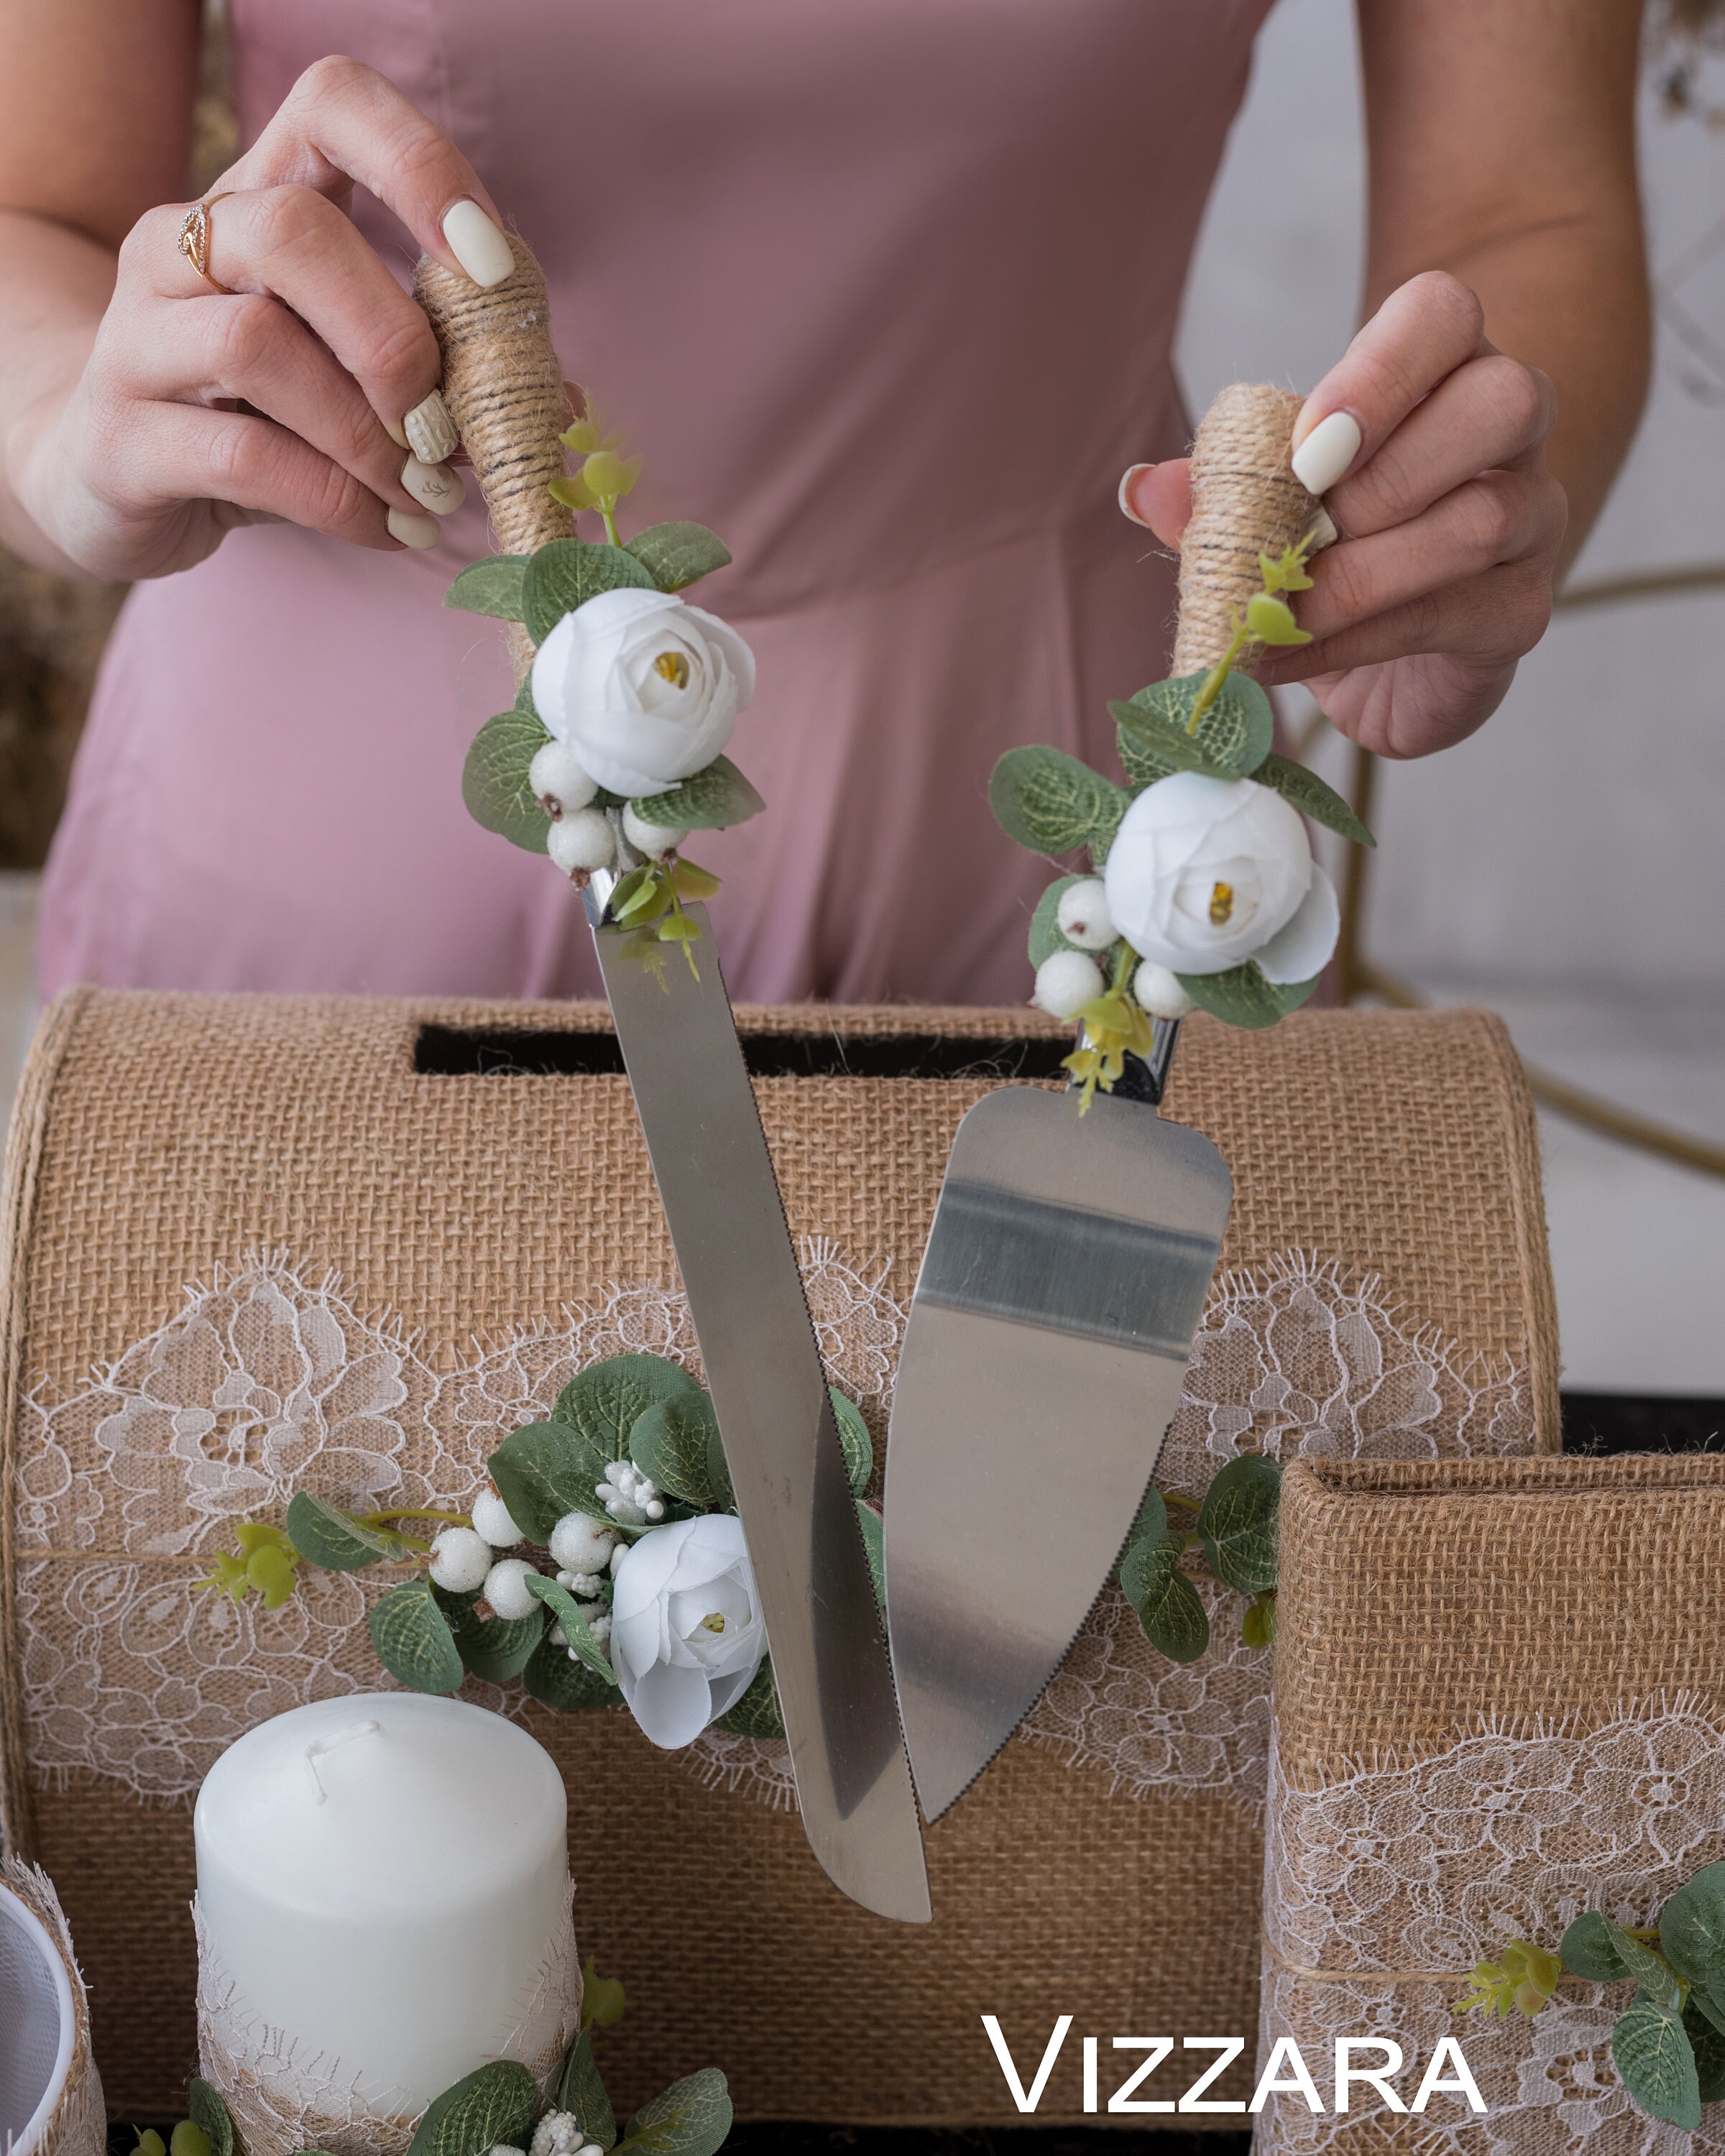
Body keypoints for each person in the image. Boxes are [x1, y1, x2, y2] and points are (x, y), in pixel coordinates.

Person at [0, 2, 1647, 1005]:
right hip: (322, 876)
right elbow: (33, 211)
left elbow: (1531, 206)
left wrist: (1452, 497)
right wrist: (78, 424)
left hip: (1055, 879)